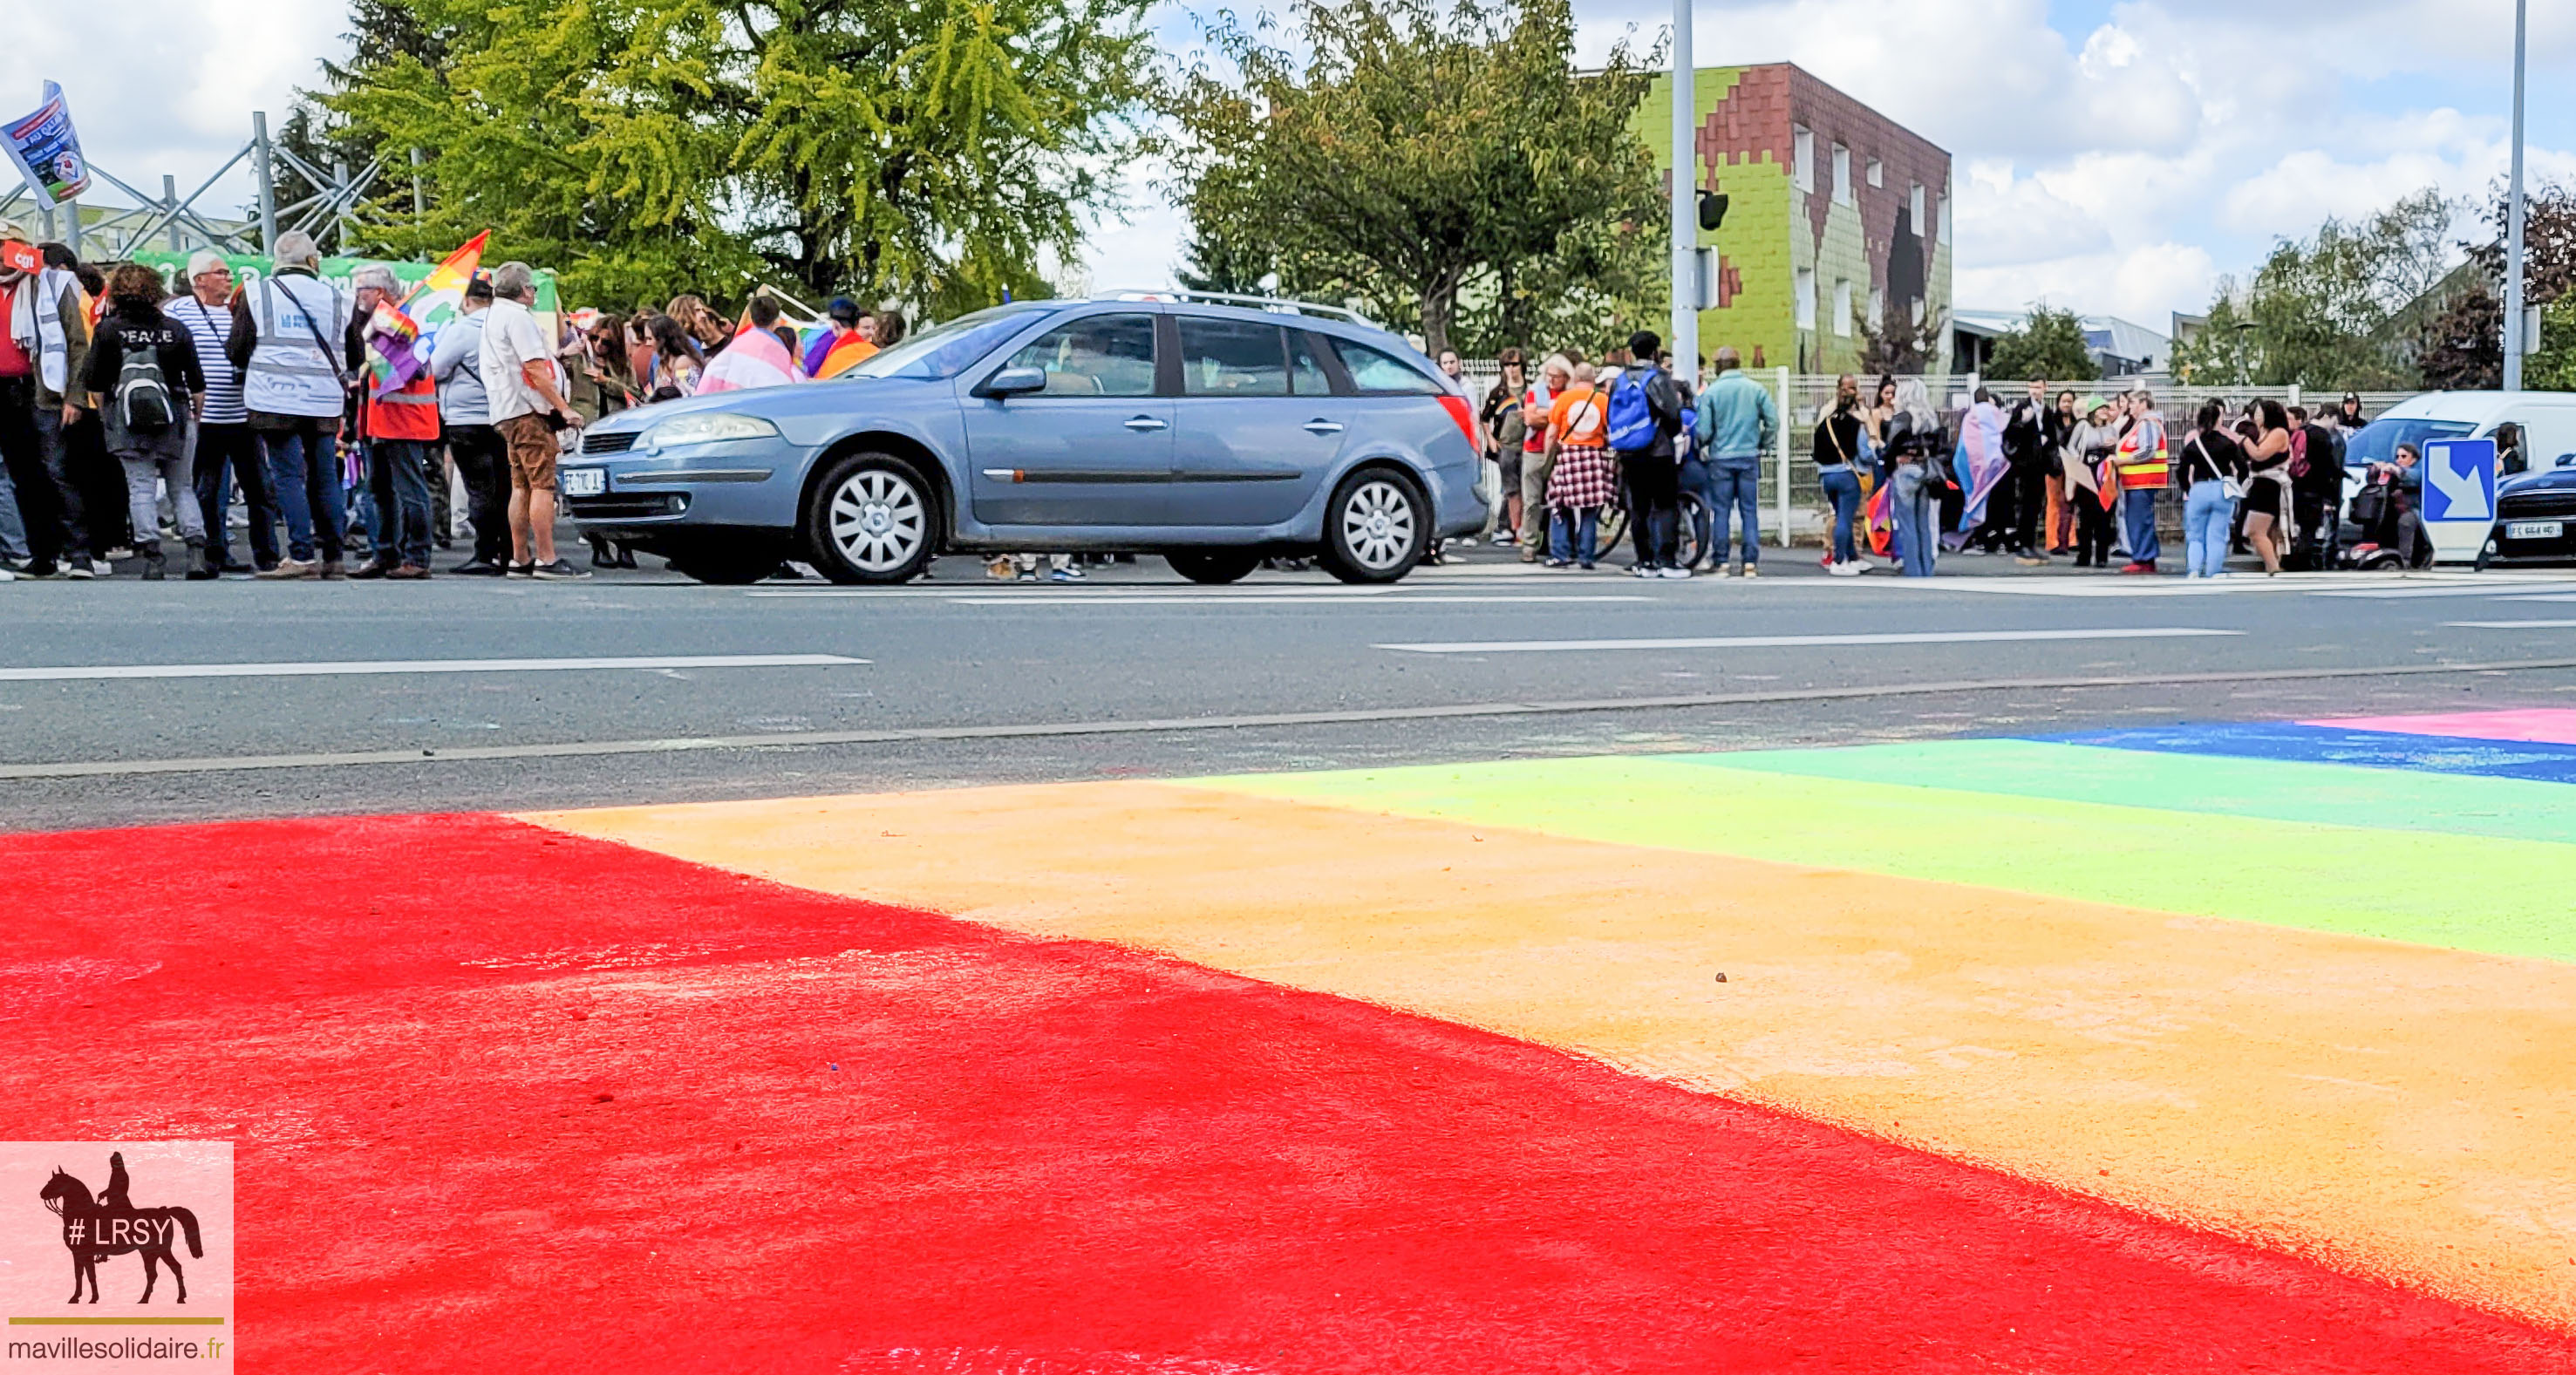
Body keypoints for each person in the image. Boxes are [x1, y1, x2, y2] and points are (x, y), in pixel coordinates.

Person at [228, 230, 351, 579]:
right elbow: (354, 352)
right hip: (323, 399)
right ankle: (334, 555)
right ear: (313, 261)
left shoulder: (256, 293)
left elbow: (236, 348)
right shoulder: (339, 297)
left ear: (277, 262)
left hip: (274, 397)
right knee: (326, 476)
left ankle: (300, 555)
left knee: (287, 476)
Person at [77, 262, 208, 579]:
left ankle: (153, 557)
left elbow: (93, 384)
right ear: (155, 290)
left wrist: (109, 415)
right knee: (182, 487)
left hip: (127, 418)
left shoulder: (108, 330)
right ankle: (196, 552)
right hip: (175, 413)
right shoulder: (175, 328)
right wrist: (194, 417)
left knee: (141, 487)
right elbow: (197, 385)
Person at [165, 251, 274, 575]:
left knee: (260, 489)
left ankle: (267, 554)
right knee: (207, 489)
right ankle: (213, 552)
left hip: (243, 415)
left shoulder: (241, 312)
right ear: (199, 280)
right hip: (204, 417)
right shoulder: (178, 311)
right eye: (221, 273)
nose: (229, 278)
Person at [480, 261, 588, 579]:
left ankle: (520, 556)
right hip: (528, 411)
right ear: (525, 289)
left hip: (506, 410)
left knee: (521, 484)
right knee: (542, 483)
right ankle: (547, 558)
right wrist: (563, 407)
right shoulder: (517, 318)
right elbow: (534, 369)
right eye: (532, 288)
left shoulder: (495, 316)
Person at [4, 228, 97, 576]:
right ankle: (42, 554)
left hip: (43, 390)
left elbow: (77, 344)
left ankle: (79, 554)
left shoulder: (51, 284)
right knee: (21, 475)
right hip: (4, 391)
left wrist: (75, 395)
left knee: (57, 471)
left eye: (5, 247)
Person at [343, 265, 438, 580]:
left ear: (380, 293)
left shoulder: (400, 326)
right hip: (380, 422)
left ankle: (416, 556)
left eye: (362, 290)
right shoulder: (384, 324)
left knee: (408, 491)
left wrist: (372, 370)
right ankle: (386, 553)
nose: (358, 297)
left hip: (402, 422)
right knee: (379, 490)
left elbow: (415, 369)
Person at [433, 273, 508, 575]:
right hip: (504, 416)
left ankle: (484, 553)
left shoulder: (461, 330)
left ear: (466, 301)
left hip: (466, 419)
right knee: (505, 486)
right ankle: (510, 551)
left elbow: (436, 369)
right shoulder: (505, 327)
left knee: (479, 488)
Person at [1607, 330, 1688, 578]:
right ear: (1655, 351)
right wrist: (1674, 433)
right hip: (1658, 450)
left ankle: (1644, 561)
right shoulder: (1658, 378)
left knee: (1639, 507)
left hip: (1629, 451)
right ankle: (1667, 559)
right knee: (1665, 505)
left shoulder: (1621, 380)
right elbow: (1672, 413)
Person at [1690, 345, 1775, 576]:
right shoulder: (1755, 389)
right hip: (1749, 456)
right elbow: (1773, 421)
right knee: (1749, 511)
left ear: (1718, 366)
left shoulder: (1712, 392)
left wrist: (1705, 444)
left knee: (1721, 511)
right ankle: (1750, 563)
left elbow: (1704, 430)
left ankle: (1722, 561)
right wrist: (1764, 444)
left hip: (1721, 458)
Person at [1543, 362, 1614, 568]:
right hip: (1594, 457)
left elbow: (1551, 433)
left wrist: (1549, 459)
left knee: (1560, 505)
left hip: (1568, 456)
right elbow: (1610, 430)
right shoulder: (1602, 400)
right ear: (1593, 379)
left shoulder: (1564, 399)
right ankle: (1586, 557)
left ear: (1575, 379)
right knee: (1589, 510)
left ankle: (1560, 553)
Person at [1883, 377, 1946, 577]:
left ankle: (1913, 572)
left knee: (1907, 525)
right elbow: (1939, 447)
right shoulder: (1931, 418)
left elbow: (1891, 448)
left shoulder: (1903, 418)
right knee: (1923, 525)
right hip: (1926, 471)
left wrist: (1888, 466)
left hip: (1905, 471)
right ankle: (1927, 569)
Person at [2177, 400, 2244, 579]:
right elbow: (2242, 467)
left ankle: (2194, 569)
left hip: (2198, 489)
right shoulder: (2227, 443)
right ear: (2218, 420)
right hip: (2221, 489)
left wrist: (2188, 488)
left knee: (2195, 534)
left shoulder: (2193, 444)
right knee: (2217, 534)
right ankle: (2213, 570)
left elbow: (2181, 470)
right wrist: (2237, 483)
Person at [2232, 398, 2294, 575]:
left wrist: (2243, 440)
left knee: (2254, 530)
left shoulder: (2279, 432)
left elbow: (2259, 455)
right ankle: (2272, 564)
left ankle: (2273, 565)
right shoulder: (2262, 432)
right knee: (2268, 530)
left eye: (2259, 413)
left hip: (2270, 484)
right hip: (2259, 483)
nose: (2256, 416)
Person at [1813, 373, 1867, 575]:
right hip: (1847, 474)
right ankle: (1839, 560)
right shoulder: (1855, 424)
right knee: (1846, 518)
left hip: (1826, 475)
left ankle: (1852, 557)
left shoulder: (1825, 422)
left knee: (1840, 515)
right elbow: (1865, 452)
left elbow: (1816, 451)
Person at [1516, 354, 1564, 562]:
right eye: (1548, 375)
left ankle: (1558, 544)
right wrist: (1555, 415)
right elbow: (1530, 418)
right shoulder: (1535, 390)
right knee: (1531, 501)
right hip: (1534, 449)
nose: (1551, 380)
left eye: (1556, 376)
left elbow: (1566, 420)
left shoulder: (1569, 393)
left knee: (1560, 501)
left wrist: (1544, 415)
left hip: (1559, 451)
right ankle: (1529, 545)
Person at [2114, 390, 2168, 574]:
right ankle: (2143, 556)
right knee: (2138, 520)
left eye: (2133, 402)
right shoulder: (2144, 424)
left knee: (2139, 521)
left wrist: (2121, 460)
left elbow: (2147, 451)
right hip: (2138, 482)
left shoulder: (2147, 424)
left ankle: (2143, 558)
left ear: (2144, 404)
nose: (2130, 407)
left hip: (2142, 482)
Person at [2064, 396, 2121, 568]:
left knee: (2104, 517)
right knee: (2086, 517)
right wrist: (2076, 462)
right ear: (2093, 411)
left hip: (2104, 476)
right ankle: (2084, 555)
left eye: (2106, 408)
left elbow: (2117, 449)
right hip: (2086, 474)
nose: (2105, 412)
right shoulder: (2084, 426)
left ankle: (2102, 557)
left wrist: (2113, 446)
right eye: (2101, 408)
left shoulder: (2111, 429)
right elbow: (2071, 446)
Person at [2000, 378, 2051, 563]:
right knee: (2024, 504)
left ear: (2045, 388)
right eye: (2031, 387)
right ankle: (2023, 544)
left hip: (2040, 465)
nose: (2034, 391)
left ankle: (2031, 543)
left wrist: (2046, 441)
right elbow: (2009, 435)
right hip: (2024, 466)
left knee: (2036, 505)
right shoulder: (2022, 408)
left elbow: (2053, 435)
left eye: (2038, 387)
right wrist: (2022, 422)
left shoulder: (2047, 410)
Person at [1482, 349, 1527, 548]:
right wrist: (1490, 439)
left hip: (1527, 446)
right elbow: (1484, 418)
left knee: (1526, 489)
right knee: (1512, 489)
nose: (1511, 369)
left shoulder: (1530, 390)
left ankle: (1513, 527)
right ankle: (1512, 529)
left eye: (1515, 364)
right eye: (1507, 365)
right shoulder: (1499, 393)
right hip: (1506, 447)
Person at [2044, 388, 2079, 554]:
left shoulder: (2078, 421)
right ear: (2058, 403)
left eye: (2069, 401)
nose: (2066, 404)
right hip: (2054, 466)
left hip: (2072, 466)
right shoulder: (2051, 420)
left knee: (2070, 502)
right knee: (2053, 502)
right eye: (2063, 401)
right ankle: (2052, 541)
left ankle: (2070, 539)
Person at [645, 314, 701, 399]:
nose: (647, 343)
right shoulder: (662, 363)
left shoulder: (683, 362)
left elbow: (691, 395)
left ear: (662, 339)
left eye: (650, 339)